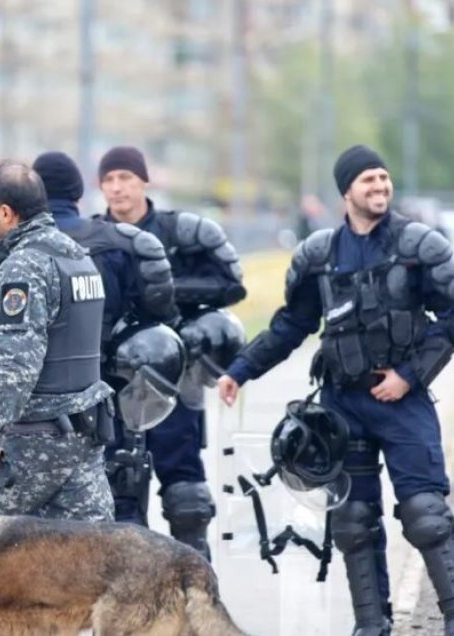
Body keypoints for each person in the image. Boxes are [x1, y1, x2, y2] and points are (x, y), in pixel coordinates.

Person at [217, 145, 454, 636]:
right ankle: (372, 625)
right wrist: (240, 370)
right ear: (346, 191)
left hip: (403, 404)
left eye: (384, 178)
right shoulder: (319, 256)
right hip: (342, 407)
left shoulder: (418, 245)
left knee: (426, 516)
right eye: (368, 180)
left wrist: (409, 375)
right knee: (353, 521)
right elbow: (291, 325)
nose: (379, 187)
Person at [0, 161, 114, 522]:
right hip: (83, 438)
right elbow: (40, 346)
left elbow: (19, 363)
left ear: (6, 212)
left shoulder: (25, 267)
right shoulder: (77, 258)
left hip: (34, 443)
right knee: (89, 561)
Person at [97, 145, 247, 559]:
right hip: (115, 385)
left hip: (175, 380)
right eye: (108, 180)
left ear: (144, 181)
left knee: (188, 501)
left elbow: (232, 284)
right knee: (121, 501)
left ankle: (197, 597)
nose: (117, 187)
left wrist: (164, 289)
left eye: (125, 177)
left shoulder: (181, 231)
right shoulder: (94, 237)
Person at [28, 151, 176, 526]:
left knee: (31, 532)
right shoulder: (128, 244)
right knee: (121, 522)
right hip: (107, 406)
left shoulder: (6, 245)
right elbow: (159, 316)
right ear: (79, 193)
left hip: (29, 413)